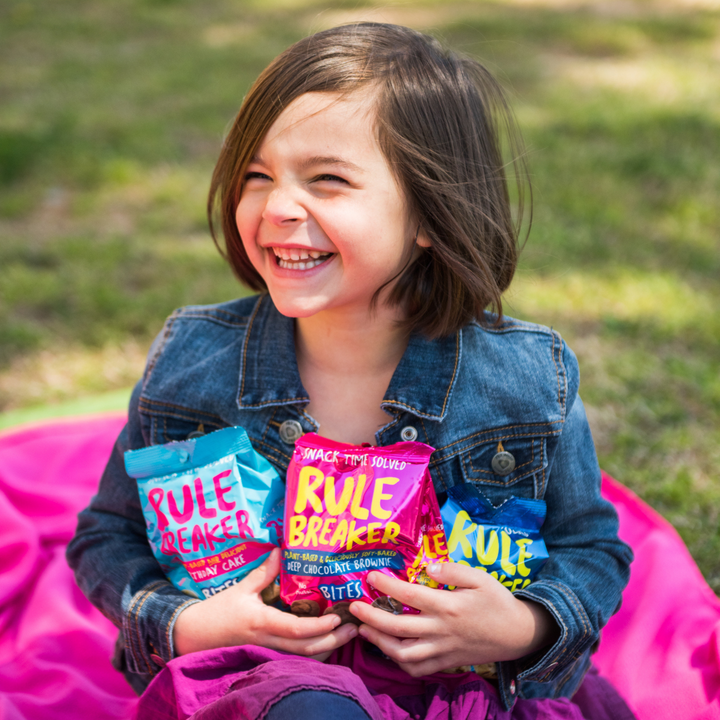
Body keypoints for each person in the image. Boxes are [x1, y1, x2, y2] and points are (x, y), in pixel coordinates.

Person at [67, 22, 634, 720]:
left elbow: (591, 548)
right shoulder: (192, 364)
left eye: (327, 181)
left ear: (431, 211)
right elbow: (105, 537)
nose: (277, 207)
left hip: (467, 694)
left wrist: (523, 627)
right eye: (257, 175)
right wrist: (187, 626)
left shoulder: (523, 378)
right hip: (267, 693)